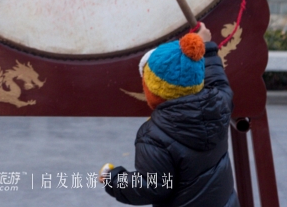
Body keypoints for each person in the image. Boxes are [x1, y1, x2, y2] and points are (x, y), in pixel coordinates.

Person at [101, 25, 239, 207]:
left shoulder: (154, 136)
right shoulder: (220, 104)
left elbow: (151, 186)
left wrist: (113, 178)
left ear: (154, 90)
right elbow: (218, 81)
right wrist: (207, 48)